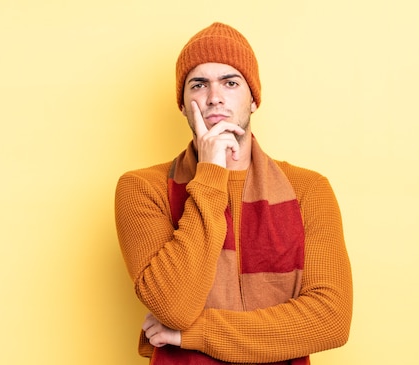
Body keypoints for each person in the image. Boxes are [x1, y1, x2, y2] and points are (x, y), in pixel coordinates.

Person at [115, 22, 352, 364]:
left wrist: (194, 334)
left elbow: (330, 319)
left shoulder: (308, 190)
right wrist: (211, 171)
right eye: (199, 84)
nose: (214, 97)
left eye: (230, 82)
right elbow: (173, 305)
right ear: (182, 105)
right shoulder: (142, 189)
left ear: (253, 98)